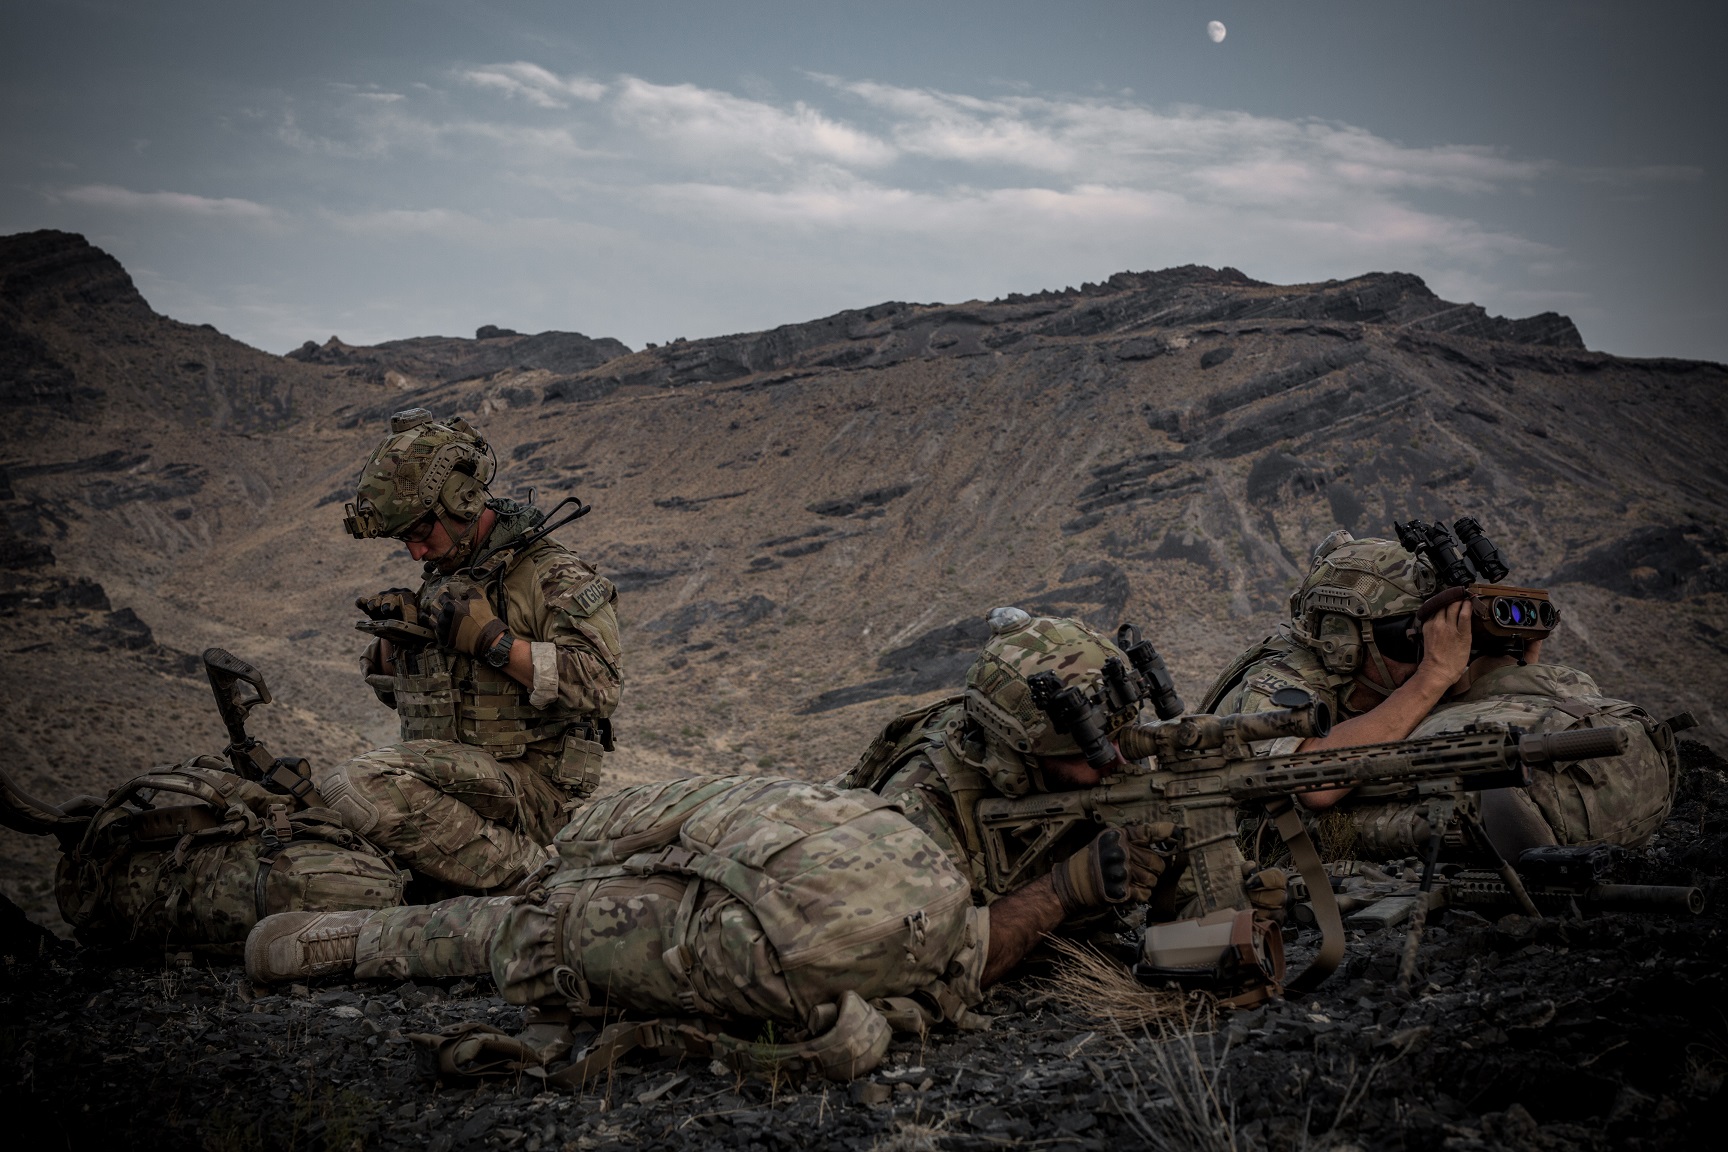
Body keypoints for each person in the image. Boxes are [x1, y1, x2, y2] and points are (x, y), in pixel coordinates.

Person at [243, 612, 1190, 1078]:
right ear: (1017, 747)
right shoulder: (925, 803)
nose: (1104, 767)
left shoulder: (1036, 763)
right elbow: (938, 955)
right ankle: (350, 937)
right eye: (1085, 757)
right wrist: (1065, 892)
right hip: (750, 903)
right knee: (531, 928)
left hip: (758, 874)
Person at [1202, 529, 1676, 859]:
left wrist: (1508, 666)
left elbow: (1470, 716)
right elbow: (1315, 786)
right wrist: (1432, 676)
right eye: (1414, 638)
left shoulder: (1388, 678)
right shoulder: (1281, 677)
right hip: (1236, 837)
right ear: (1344, 638)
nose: (1431, 650)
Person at [319, 408, 623, 894]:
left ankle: (542, 880)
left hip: (530, 791)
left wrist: (495, 643)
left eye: (421, 534)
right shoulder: (446, 580)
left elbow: (601, 685)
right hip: (459, 784)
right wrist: (397, 639)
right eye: (405, 540)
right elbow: (408, 698)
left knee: (360, 786)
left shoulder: (551, 575)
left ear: (461, 501)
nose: (416, 553)